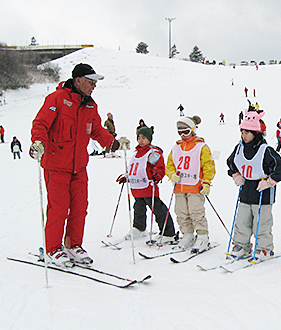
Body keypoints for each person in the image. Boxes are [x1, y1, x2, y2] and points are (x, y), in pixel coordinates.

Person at [30, 63, 120, 267]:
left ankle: (73, 245)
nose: (93, 86)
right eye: (91, 82)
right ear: (78, 80)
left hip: (79, 167)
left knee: (80, 208)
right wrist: (38, 142)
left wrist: (112, 142)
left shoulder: (90, 105)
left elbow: (96, 129)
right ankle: (52, 248)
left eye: (95, 83)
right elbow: (41, 124)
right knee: (59, 208)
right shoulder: (56, 99)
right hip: (56, 165)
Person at [227, 110, 281, 261]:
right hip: (246, 190)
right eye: (242, 132)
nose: (244, 136)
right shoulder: (240, 147)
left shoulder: (265, 149)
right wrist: (235, 174)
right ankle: (241, 246)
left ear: (256, 133)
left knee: (261, 223)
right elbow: (231, 162)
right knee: (242, 221)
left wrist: (269, 181)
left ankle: (264, 248)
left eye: (248, 132)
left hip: (263, 192)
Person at [117, 126, 178, 243]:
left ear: (149, 139)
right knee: (138, 209)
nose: (140, 140)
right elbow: (134, 168)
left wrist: (158, 174)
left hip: (149, 187)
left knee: (158, 209)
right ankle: (138, 228)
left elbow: (160, 167)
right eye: (139, 138)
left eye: (143, 138)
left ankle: (168, 231)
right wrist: (127, 176)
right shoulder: (136, 153)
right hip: (137, 187)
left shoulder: (152, 152)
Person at [165, 115, 216, 252]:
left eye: (186, 131)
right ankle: (187, 235)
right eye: (179, 132)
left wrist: (206, 182)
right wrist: (171, 174)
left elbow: (208, 165)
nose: (183, 135)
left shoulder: (201, 147)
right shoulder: (176, 147)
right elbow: (169, 164)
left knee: (196, 211)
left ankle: (202, 236)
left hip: (195, 186)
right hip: (180, 186)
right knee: (181, 212)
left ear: (193, 130)